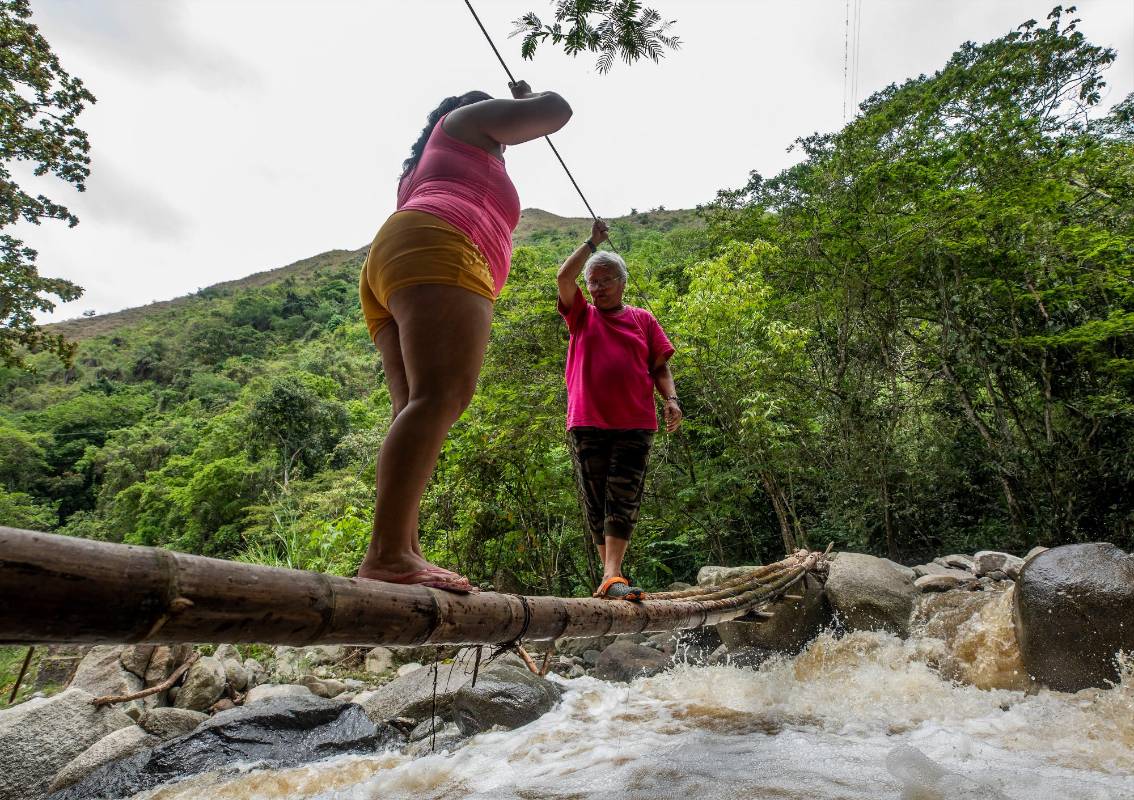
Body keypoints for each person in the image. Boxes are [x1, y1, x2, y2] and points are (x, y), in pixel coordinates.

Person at [357, 82, 572, 592]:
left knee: (415, 405)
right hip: (445, 246)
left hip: (396, 258)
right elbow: (557, 110)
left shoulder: (431, 164)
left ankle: (401, 550)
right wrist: (527, 99)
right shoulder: (465, 121)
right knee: (440, 398)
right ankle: (387, 553)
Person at [556, 219, 682, 600]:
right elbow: (564, 278)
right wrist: (592, 244)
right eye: (593, 281)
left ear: (622, 282)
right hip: (588, 420)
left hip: (634, 422)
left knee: (624, 495)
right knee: (597, 496)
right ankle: (611, 576)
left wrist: (671, 399)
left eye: (606, 280)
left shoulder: (643, 320)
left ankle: (612, 574)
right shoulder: (581, 314)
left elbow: (659, 366)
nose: (597, 287)